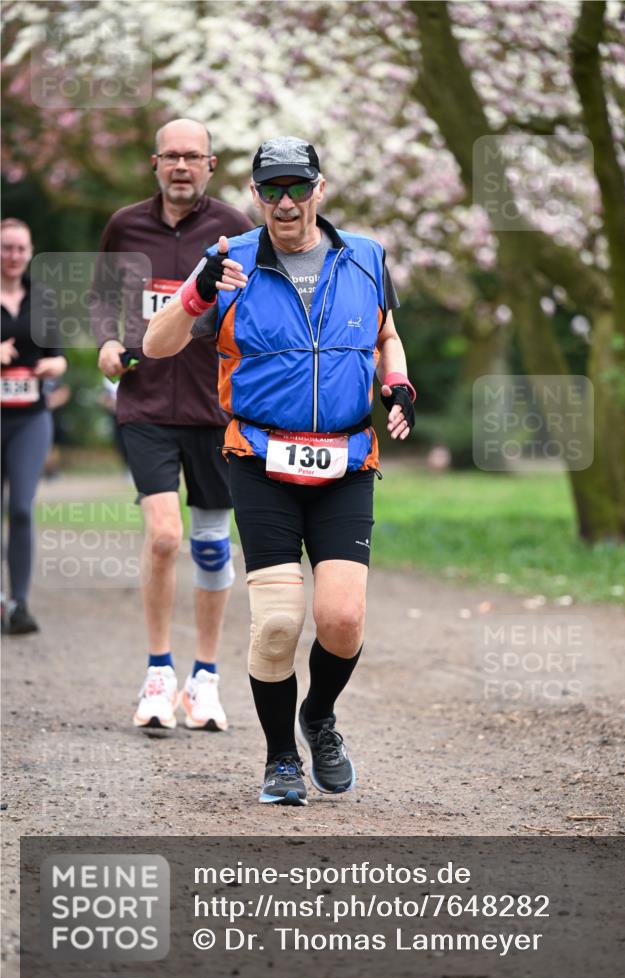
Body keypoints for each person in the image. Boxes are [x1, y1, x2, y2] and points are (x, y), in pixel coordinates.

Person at [145, 136, 415, 805]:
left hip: (345, 461)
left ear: (320, 189)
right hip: (260, 460)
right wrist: (198, 292)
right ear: (255, 195)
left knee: (342, 619)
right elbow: (155, 344)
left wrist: (397, 383)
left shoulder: (365, 257)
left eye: (297, 187)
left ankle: (317, 717)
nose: (285, 202)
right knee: (274, 624)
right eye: (272, 190)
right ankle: (280, 760)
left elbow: (385, 333)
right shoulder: (228, 263)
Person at [92, 119, 253, 731]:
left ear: (210, 165)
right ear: (154, 163)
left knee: (211, 545)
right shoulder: (124, 226)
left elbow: (257, 304)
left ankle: (204, 679)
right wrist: (107, 341)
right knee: (163, 536)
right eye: (171, 156)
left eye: (193, 156)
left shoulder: (236, 228)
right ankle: (159, 672)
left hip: (215, 409)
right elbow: (102, 295)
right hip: (147, 404)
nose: (181, 166)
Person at [1, 218, 67, 634]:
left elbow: (58, 355)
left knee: (21, 508)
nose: (13, 255)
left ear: (30, 252)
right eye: (6, 247)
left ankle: (19, 604)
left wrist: (53, 365)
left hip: (30, 418)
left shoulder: (42, 298)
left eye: (20, 248)